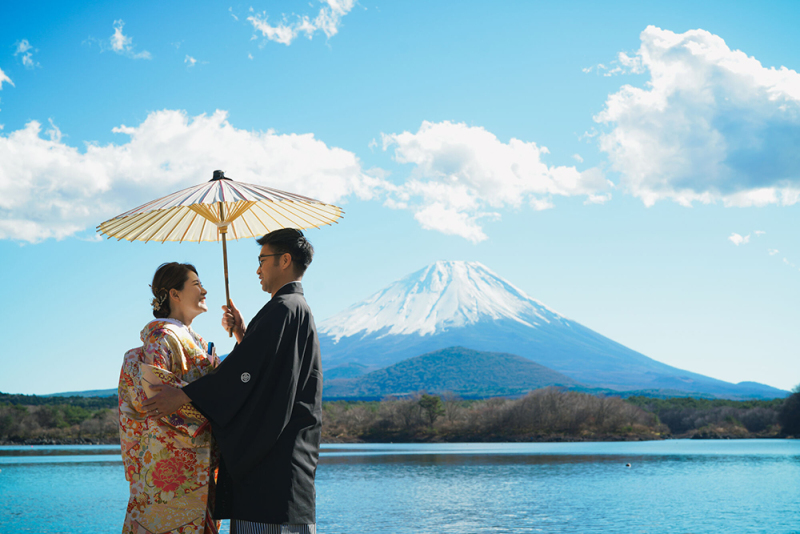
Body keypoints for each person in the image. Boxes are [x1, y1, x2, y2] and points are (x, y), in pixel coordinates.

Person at [143, 229, 323, 534]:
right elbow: (265, 371)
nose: (258, 269)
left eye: (262, 260)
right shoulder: (296, 309)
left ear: (285, 260)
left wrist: (185, 395)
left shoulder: (282, 309)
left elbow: (244, 377)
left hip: (269, 479)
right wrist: (243, 333)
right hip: (291, 472)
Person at [118, 262, 221, 534]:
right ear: (175, 294)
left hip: (198, 461)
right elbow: (158, 400)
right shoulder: (161, 337)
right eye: (197, 285)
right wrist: (214, 407)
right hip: (172, 466)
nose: (205, 290)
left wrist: (239, 338)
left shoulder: (194, 339)